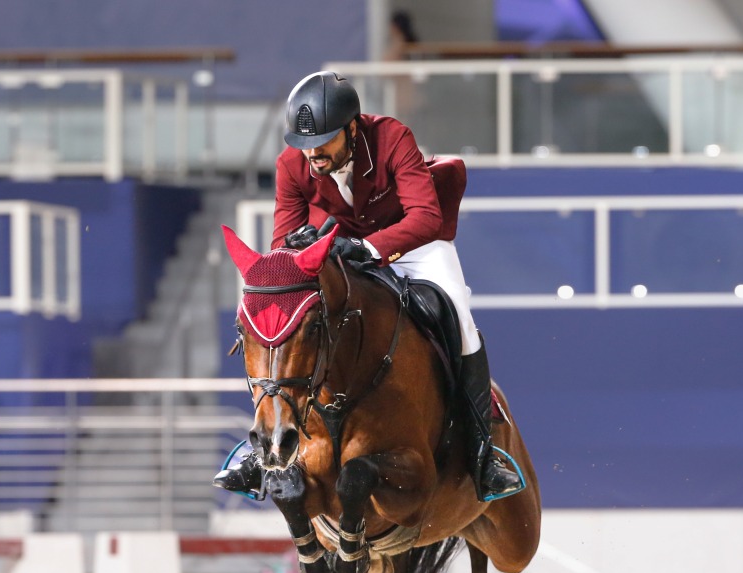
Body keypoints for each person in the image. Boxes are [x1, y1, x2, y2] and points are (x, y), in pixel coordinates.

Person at [214, 70, 521, 502]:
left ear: (353, 128)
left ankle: (482, 452)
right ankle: (263, 447)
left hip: (413, 244)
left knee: (460, 315)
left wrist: (370, 247)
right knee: (288, 319)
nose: (313, 153)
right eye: (305, 144)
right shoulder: (292, 163)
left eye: (324, 141)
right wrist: (300, 251)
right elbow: (282, 243)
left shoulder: (392, 137)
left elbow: (426, 217)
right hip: (339, 250)